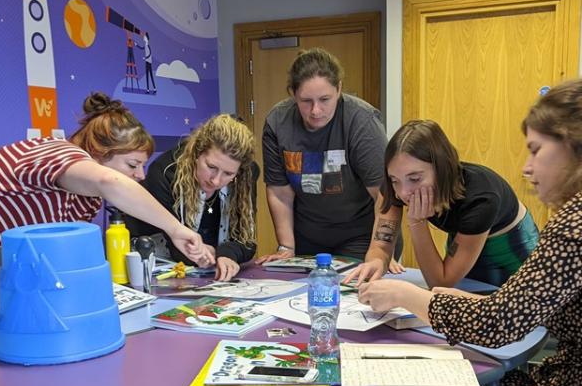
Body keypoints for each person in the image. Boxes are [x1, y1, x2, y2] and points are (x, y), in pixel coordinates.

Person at [359, 79, 582, 386]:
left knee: (457, 381)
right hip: (562, 366)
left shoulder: (569, 225)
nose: (527, 168)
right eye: (396, 181)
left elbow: (501, 322)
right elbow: (514, 309)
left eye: (536, 150)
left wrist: (404, 294)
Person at [0, 92, 207, 293]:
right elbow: (109, 182)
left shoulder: (85, 200)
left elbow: (39, 257)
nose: (140, 175)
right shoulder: (56, 152)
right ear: (99, 152)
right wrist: (176, 229)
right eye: (132, 165)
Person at [347, 119, 539, 288]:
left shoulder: (481, 199)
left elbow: (441, 281)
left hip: (511, 250)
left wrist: (417, 222)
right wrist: (376, 261)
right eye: (394, 179)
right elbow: (380, 246)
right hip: (466, 240)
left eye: (415, 179)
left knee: (513, 317)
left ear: (442, 169)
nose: (403, 192)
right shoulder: (398, 184)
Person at [255, 47, 402, 265]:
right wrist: (286, 247)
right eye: (306, 101)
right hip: (308, 237)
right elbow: (280, 193)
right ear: (293, 94)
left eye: (325, 99)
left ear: (339, 89)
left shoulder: (361, 121)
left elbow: (385, 195)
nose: (316, 110)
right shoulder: (278, 122)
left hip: (362, 236)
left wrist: (380, 251)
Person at [126, 114, 258, 281]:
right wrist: (215, 255)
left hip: (209, 271)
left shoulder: (246, 175)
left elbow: (247, 241)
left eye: (228, 173)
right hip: (159, 264)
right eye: (211, 167)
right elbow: (178, 248)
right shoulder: (165, 172)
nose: (216, 180)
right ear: (197, 154)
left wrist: (227, 255)